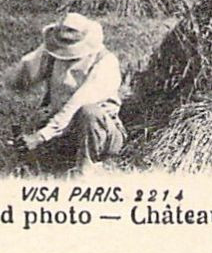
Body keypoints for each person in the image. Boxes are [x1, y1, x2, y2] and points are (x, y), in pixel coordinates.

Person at [8, 11, 126, 174]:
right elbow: (21, 76)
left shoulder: (105, 62)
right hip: (63, 128)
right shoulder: (54, 54)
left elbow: (76, 104)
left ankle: (88, 166)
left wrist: (40, 137)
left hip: (100, 133)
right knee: (33, 158)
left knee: (89, 112)